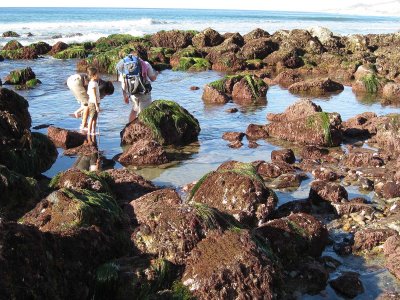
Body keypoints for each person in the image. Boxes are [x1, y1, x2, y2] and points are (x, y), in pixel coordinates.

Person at [116, 50, 157, 123]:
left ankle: (129, 126)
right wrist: (156, 74)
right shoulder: (145, 64)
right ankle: (142, 129)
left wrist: (125, 95)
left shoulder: (125, 67)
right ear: (138, 57)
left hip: (132, 92)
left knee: (135, 109)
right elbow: (152, 78)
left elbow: (123, 83)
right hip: (144, 92)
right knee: (144, 112)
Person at [86, 67, 101, 138]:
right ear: (93, 75)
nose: (98, 75)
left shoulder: (91, 83)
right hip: (93, 103)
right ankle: (89, 132)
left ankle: (93, 131)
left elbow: (89, 93)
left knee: (95, 118)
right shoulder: (93, 84)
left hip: (93, 102)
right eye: (97, 74)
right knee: (92, 117)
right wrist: (97, 106)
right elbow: (94, 96)